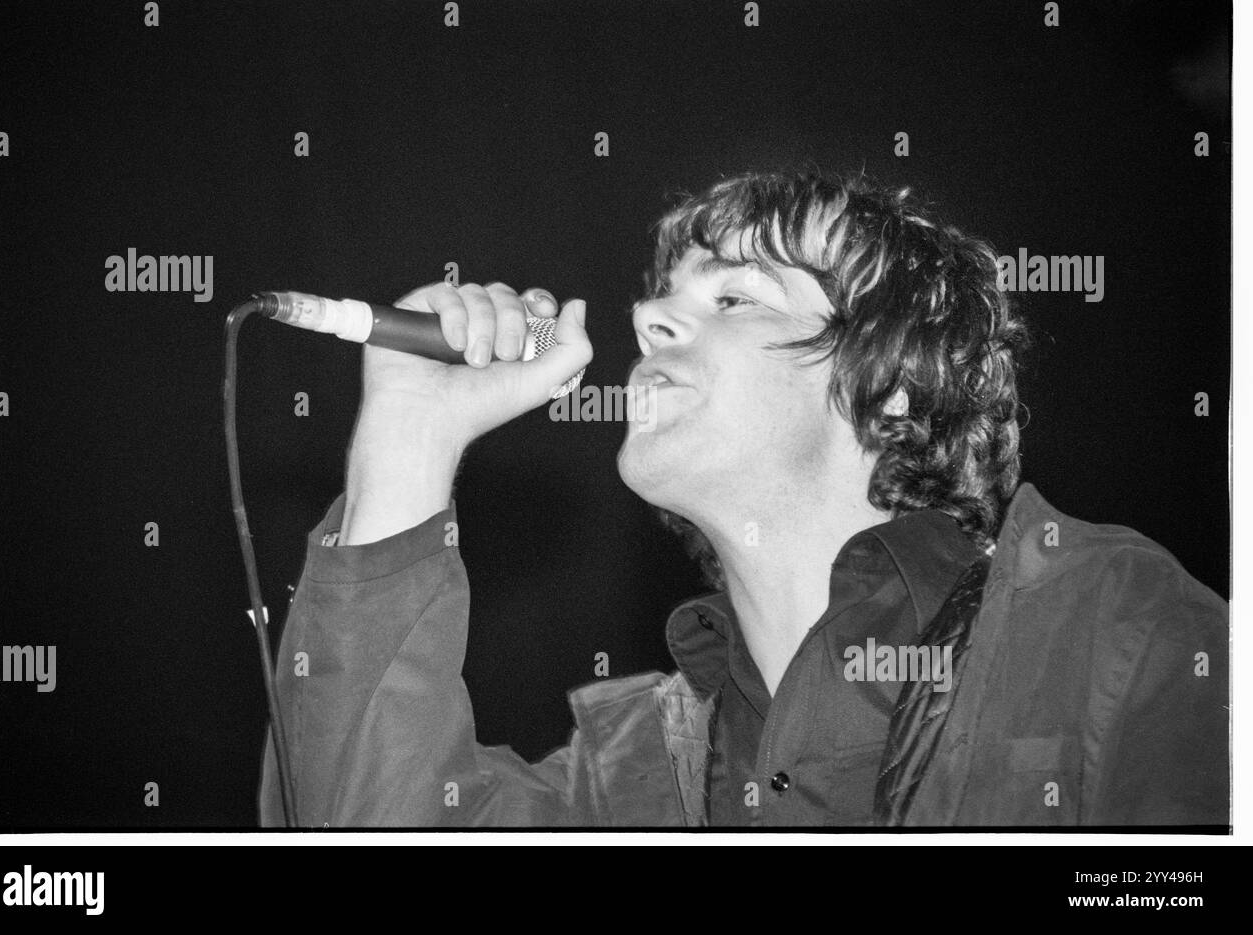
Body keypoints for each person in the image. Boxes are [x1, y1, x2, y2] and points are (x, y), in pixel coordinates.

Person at [259, 168, 1228, 828]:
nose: (646, 315)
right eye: (662, 298)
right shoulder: (625, 774)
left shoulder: (1108, 621)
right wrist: (407, 440)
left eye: (734, 297)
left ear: (892, 387)